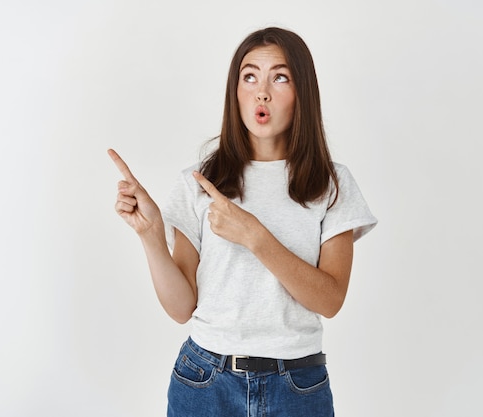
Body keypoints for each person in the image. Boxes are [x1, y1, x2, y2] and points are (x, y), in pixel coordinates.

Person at [108, 27, 377, 417]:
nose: (261, 92)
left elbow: (330, 299)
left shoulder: (331, 183)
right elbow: (182, 307)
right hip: (205, 381)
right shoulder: (200, 181)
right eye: (249, 77)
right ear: (235, 91)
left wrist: (256, 237)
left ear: (303, 91)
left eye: (279, 77)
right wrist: (150, 237)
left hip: (298, 387)